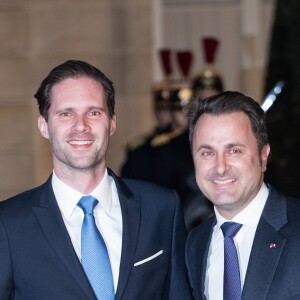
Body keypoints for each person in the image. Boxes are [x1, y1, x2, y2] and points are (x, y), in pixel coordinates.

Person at [0, 60, 192, 300]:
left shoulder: (161, 208)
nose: (81, 126)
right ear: (44, 126)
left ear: (112, 122)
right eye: (66, 113)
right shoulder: (8, 225)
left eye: (94, 112)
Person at [185, 91, 300, 299]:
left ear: (263, 157)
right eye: (207, 152)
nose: (220, 167)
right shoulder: (195, 243)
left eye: (234, 150)